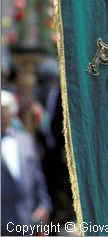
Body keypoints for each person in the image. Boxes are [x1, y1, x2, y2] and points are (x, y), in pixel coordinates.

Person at [1, 90, 52, 236]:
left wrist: (44, 205)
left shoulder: (26, 140)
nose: (2, 116)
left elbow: (38, 176)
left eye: (4, 111)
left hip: (27, 218)